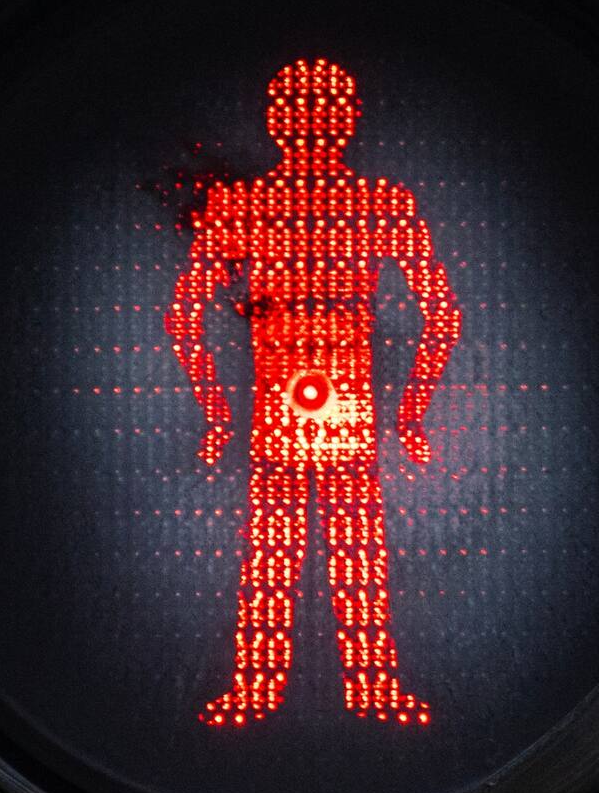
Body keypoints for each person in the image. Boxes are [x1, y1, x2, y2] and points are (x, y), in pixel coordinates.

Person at [167, 58, 462, 727]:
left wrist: (216, 415)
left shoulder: (248, 206)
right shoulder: (374, 203)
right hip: (327, 401)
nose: (310, 123)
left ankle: (282, 691)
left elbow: (185, 317)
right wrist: (412, 414)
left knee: (286, 548)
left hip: (301, 400)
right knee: (340, 546)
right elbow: (441, 314)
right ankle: (357, 687)